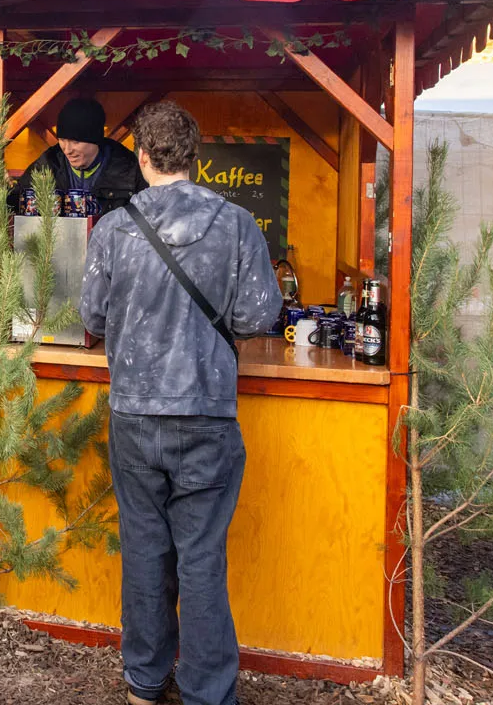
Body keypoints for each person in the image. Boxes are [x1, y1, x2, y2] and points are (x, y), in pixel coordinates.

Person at [79, 100, 281, 705]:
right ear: (195, 157)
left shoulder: (115, 228)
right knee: (201, 559)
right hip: (207, 415)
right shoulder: (238, 224)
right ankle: (207, 691)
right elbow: (258, 314)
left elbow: (90, 314)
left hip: (135, 415)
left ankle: (145, 680)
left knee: (144, 551)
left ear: (142, 158)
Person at [6, 96, 145, 213]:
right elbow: (12, 209)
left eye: (75, 142)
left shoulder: (130, 170)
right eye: (62, 140)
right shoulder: (46, 165)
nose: (67, 149)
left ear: (95, 140)